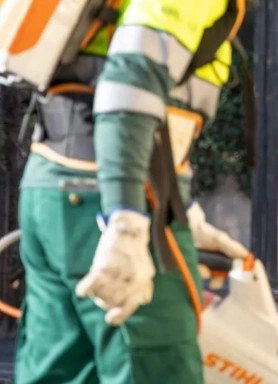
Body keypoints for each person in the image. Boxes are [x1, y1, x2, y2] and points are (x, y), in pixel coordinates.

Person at [15, 0, 252, 383]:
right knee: (155, 370)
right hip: (115, 200)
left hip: (52, 186)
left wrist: (183, 209)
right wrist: (125, 221)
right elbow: (131, 81)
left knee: (60, 371)